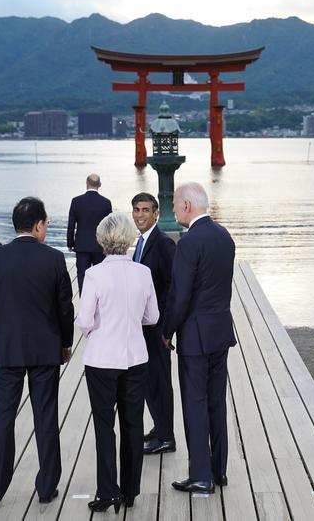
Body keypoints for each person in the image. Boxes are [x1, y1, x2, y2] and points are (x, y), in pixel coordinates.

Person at [0, 196, 74, 509]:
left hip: (6, 348)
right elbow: (64, 308)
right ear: (39, 224)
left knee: (3, 418)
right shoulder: (54, 258)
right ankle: (46, 487)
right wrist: (65, 342)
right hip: (45, 348)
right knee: (46, 417)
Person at [77, 212, 159, 513]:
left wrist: (95, 328)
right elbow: (153, 318)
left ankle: (108, 490)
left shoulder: (94, 275)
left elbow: (85, 320)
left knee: (104, 426)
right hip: (136, 357)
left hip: (102, 359)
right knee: (132, 423)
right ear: (128, 240)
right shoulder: (143, 272)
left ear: (101, 239)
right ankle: (131, 490)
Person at [162, 182, 236, 495]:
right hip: (221, 332)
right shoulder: (224, 236)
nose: (175, 209)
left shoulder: (189, 243)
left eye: (177, 205)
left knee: (194, 404)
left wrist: (166, 331)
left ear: (188, 206)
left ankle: (200, 476)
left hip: (194, 336)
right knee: (216, 403)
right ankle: (218, 471)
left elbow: (180, 296)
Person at [130, 193, 177, 455]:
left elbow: (173, 287)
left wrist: (167, 329)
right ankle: (160, 428)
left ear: (156, 214)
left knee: (159, 381)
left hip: (157, 328)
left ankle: (167, 436)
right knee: (148, 381)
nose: (140, 215)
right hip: (143, 326)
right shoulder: (141, 242)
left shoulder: (163, 243)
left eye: (145, 210)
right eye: (136, 210)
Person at [67, 173, 112, 293]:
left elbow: (72, 224)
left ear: (86, 184)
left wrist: (70, 243)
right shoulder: (106, 203)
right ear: (100, 185)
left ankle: (84, 303)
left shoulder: (76, 201)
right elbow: (109, 227)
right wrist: (109, 246)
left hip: (82, 245)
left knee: (82, 276)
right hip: (100, 246)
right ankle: (100, 302)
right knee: (101, 276)